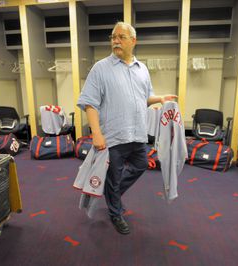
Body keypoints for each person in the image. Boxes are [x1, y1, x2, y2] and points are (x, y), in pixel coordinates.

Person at [77, 22, 177, 235]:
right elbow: (89, 103)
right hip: (113, 137)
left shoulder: (142, 69)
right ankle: (115, 213)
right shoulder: (101, 68)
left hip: (137, 134)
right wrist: (96, 133)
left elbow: (144, 97)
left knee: (141, 165)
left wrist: (159, 98)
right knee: (114, 177)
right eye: (113, 37)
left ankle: (111, 194)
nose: (115, 41)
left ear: (133, 41)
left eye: (121, 37)